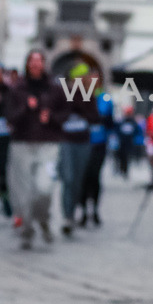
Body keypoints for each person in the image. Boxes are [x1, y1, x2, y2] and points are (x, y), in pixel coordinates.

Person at [5, 50, 69, 248]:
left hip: (48, 143)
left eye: (38, 60)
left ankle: (43, 218)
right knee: (22, 191)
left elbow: (65, 113)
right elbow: (10, 117)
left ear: (44, 64)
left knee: (44, 187)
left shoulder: (55, 88)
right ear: (27, 64)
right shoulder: (17, 89)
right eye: (32, 60)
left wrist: (50, 118)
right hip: (22, 143)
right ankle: (26, 229)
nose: (35, 64)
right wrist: (26, 107)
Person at [57, 62, 99, 236]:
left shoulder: (89, 95)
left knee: (77, 181)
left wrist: (81, 109)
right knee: (68, 178)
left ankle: (72, 212)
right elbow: (57, 114)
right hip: (65, 140)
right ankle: (67, 216)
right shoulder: (61, 94)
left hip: (83, 141)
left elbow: (95, 117)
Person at [78, 73, 114, 226]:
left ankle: (95, 210)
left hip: (99, 143)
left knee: (95, 176)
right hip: (83, 143)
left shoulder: (105, 99)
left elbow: (109, 120)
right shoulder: (80, 98)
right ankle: (84, 210)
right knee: (83, 178)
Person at [0, 64, 12, 222]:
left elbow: (13, 110)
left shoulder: (8, 90)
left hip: (4, 138)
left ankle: (6, 198)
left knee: (4, 169)